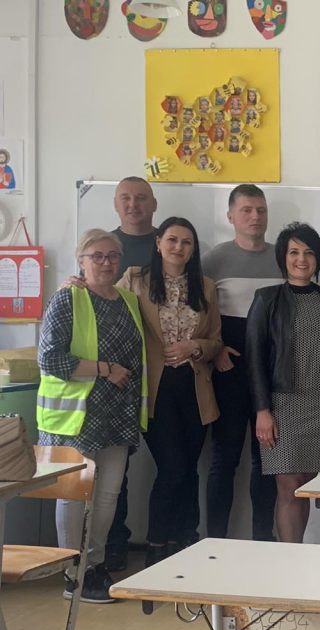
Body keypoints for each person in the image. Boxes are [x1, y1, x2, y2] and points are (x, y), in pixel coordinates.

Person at [37, 229, 147, 603]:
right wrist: (105, 369)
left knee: (107, 495)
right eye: (97, 256)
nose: (106, 263)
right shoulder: (67, 298)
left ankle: (94, 566)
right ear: (81, 261)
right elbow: (50, 359)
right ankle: (73, 573)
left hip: (117, 415)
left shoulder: (128, 300)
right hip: (76, 418)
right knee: (75, 496)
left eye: (113, 256)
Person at [118, 217, 222, 566]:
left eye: (187, 242)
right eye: (173, 240)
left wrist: (195, 346)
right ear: (158, 242)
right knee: (173, 467)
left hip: (195, 390)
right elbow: (103, 299)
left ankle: (186, 541)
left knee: (189, 468)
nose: (179, 247)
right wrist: (74, 283)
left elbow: (215, 342)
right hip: (155, 390)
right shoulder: (135, 279)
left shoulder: (205, 287)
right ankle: (157, 545)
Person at [247, 223, 320, 544]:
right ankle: (289, 555)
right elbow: (254, 359)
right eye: (294, 252)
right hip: (281, 406)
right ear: (283, 258)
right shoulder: (267, 299)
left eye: (309, 253)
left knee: (306, 484)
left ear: (317, 259)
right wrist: (262, 410)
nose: (301, 259)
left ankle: (298, 553)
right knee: (289, 485)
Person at [202, 185, 282, 541]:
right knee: (224, 459)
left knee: (267, 460)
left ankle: (262, 539)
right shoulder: (213, 261)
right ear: (230, 216)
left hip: (274, 374)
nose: (255, 217)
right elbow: (197, 315)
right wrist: (215, 349)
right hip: (228, 372)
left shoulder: (284, 257)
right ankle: (215, 541)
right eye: (247, 210)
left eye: (261, 210)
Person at [104, 176, 159, 571]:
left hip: (160, 375)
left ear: (153, 204)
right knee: (114, 473)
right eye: (125, 198)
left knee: (173, 466)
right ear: (115, 203)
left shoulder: (168, 244)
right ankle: (113, 544)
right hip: (115, 378)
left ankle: (167, 541)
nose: (133, 204)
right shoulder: (105, 248)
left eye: (141, 198)